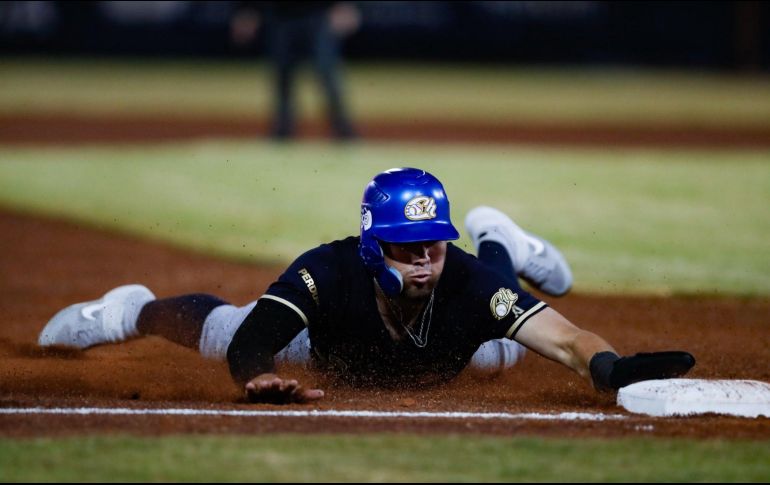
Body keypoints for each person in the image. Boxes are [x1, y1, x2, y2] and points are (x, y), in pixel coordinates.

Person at [38, 168, 695, 404]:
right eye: (408, 250)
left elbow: (570, 339)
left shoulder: (459, 278)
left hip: (454, 351)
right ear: (372, 244)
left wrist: (610, 366)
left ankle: (498, 237)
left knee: (507, 341)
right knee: (222, 330)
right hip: (325, 352)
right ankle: (132, 308)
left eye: (434, 246)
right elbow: (255, 344)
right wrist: (255, 376)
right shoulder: (328, 268)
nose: (425, 263)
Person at [230, 1, 359, 140]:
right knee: (282, 76)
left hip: (318, 14)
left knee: (327, 73)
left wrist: (345, 4)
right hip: (280, 15)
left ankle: (345, 134)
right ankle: (282, 135)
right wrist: (247, 9)